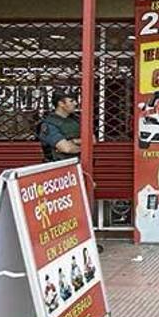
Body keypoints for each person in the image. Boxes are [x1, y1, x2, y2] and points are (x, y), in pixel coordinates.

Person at [38, 91, 103, 253]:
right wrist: (81, 145)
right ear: (61, 103)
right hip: (58, 174)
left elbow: (92, 139)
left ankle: (82, 242)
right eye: (71, 100)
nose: (75, 103)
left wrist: (74, 141)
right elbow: (64, 148)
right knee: (62, 211)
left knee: (81, 208)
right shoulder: (49, 124)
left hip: (79, 170)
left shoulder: (76, 120)